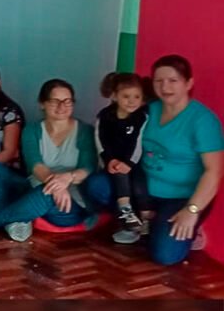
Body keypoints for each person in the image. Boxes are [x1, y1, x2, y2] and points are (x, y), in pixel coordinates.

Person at [85, 55, 223, 264]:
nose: (165, 87)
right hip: (142, 188)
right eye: (159, 81)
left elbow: (214, 171)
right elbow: (120, 133)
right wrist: (112, 159)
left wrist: (192, 210)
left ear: (189, 83)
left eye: (173, 80)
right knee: (97, 185)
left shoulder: (203, 120)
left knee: (165, 256)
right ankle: (138, 223)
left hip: (182, 197)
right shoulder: (146, 110)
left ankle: (183, 227)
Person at [0, 79, 96, 242]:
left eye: (67, 101)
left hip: (67, 203)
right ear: (42, 104)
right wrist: (55, 184)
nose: (62, 106)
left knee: (46, 194)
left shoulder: (84, 131)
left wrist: (65, 180)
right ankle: (15, 221)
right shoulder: (32, 130)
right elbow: (35, 165)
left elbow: (88, 167)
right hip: (32, 188)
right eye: (55, 101)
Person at [94, 72, 150, 238]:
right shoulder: (105, 116)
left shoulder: (141, 117)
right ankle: (126, 212)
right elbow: (100, 139)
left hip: (133, 161)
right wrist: (109, 160)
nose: (132, 101)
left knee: (140, 185)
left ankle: (146, 219)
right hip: (112, 161)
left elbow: (138, 142)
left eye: (136, 97)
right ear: (114, 96)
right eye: (126, 96)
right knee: (119, 176)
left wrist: (130, 163)